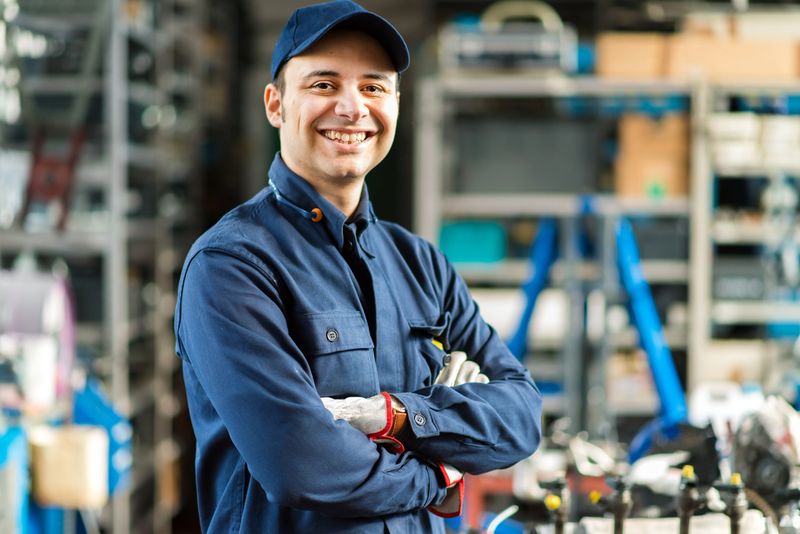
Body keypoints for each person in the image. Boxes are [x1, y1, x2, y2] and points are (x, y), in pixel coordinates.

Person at [174, 1, 543, 532]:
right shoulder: (232, 266)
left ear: (395, 102)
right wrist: (441, 471)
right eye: (323, 85)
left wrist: (398, 416)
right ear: (276, 104)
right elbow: (302, 466)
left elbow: (522, 415)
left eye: (373, 87)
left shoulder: (422, 265)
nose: (352, 108)